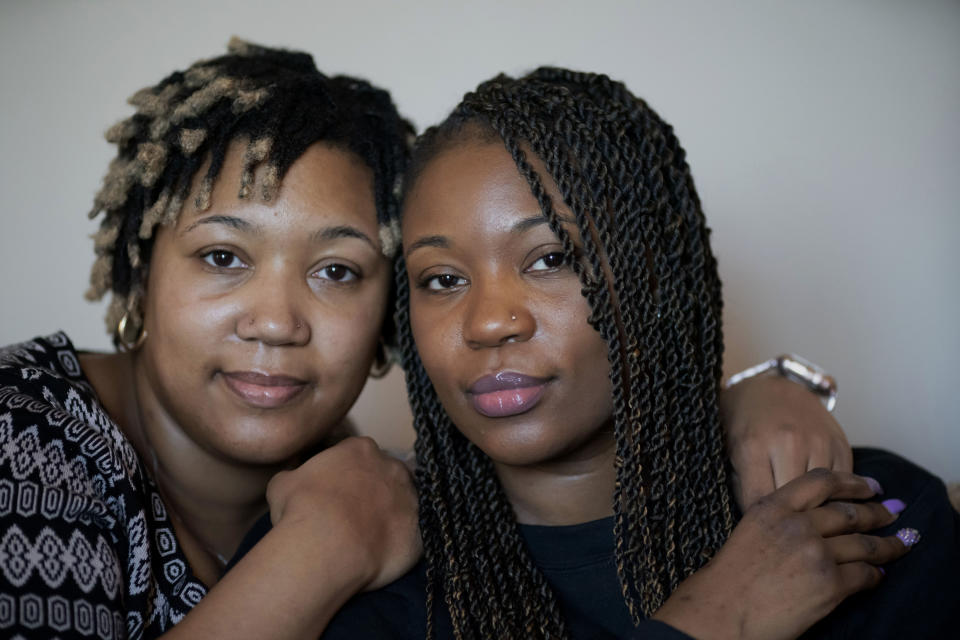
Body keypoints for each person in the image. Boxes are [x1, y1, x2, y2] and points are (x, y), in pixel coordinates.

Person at [0, 41, 860, 638]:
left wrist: (744, 390)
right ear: (135, 276)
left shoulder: (362, 481)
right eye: (223, 255)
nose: (276, 321)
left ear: (391, 315)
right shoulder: (21, 436)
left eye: (338, 270)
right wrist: (319, 551)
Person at [319, 68, 960, 639]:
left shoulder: (863, 524)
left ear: (655, 279)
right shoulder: (362, 577)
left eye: (550, 259)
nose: (488, 322)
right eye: (442, 279)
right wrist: (716, 620)